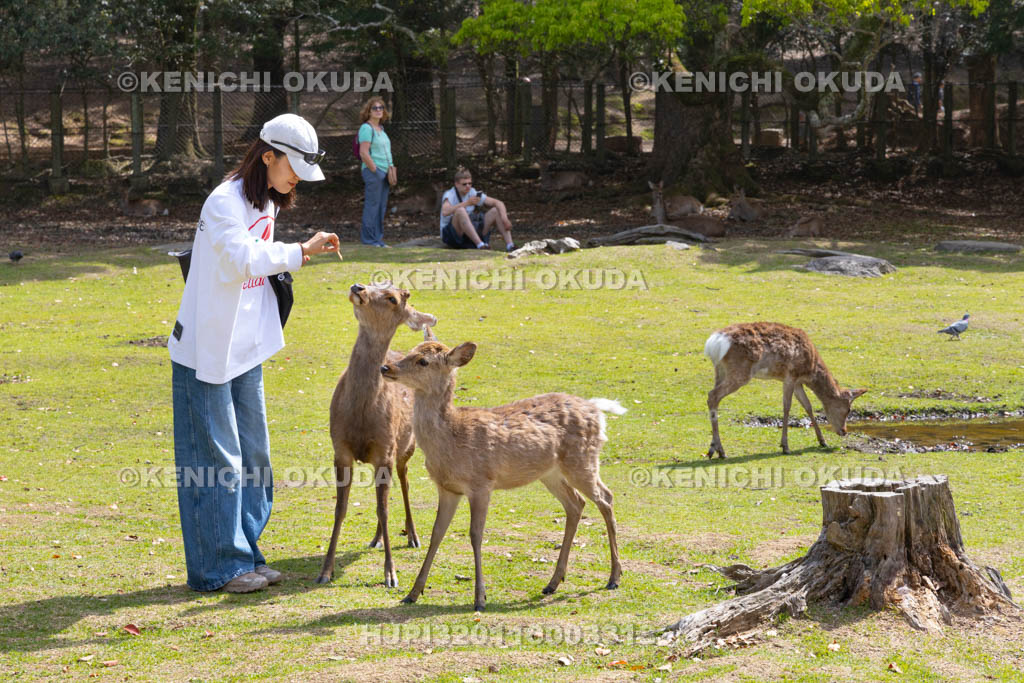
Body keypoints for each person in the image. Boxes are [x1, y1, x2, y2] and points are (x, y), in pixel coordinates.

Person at [168, 113, 340, 593]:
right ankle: (216, 568)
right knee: (215, 462)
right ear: (267, 155)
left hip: (245, 349)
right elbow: (243, 259)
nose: (295, 182)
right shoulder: (223, 202)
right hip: (206, 351)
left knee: (254, 457)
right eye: (292, 169)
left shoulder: (266, 199)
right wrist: (300, 252)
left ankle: (245, 552)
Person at [439, 168, 515, 252]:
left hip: (468, 232)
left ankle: (510, 245)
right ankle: (480, 245)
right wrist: (467, 203)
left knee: (496, 211)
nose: (468, 186)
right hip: (452, 236)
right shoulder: (449, 194)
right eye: (464, 184)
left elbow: (498, 202)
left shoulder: (472, 192)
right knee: (460, 211)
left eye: (470, 183)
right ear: (456, 184)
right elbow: (445, 212)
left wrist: (505, 219)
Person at [358, 96, 395, 247]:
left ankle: (377, 239)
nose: (379, 110)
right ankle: (369, 240)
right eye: (375, 108)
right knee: (372, 206)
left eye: (381, 108)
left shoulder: (381, 129)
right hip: (374, 172)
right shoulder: (366, 128)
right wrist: (375, 170)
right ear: (369, 111)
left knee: (381, 207)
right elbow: (364, 153)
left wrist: (390, 170)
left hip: (386, 173)